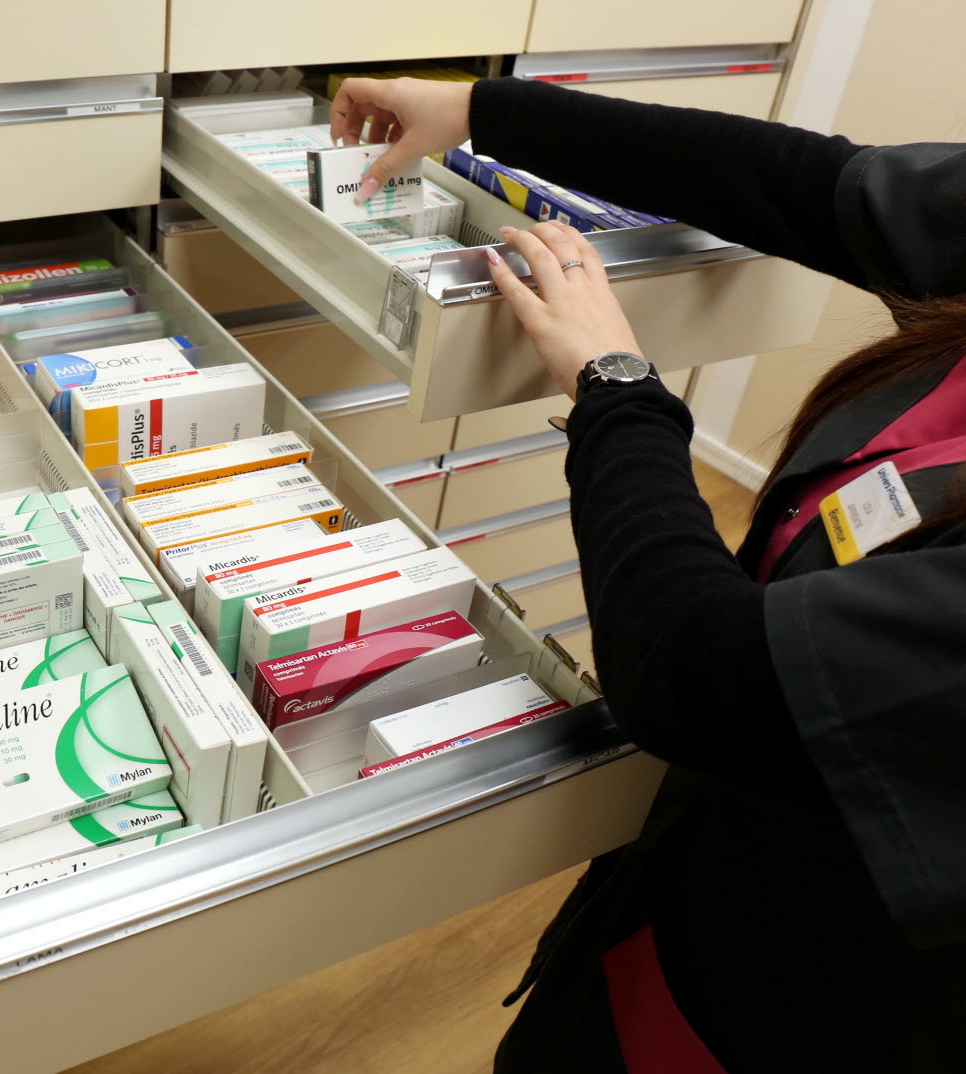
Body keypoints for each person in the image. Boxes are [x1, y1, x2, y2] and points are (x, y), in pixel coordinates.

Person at [330, 75, 966, 1072]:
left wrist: (616, 390)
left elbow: (690, 665)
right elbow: (810, 183)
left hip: (821, 991)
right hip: (704, 866)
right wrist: (482, 112)